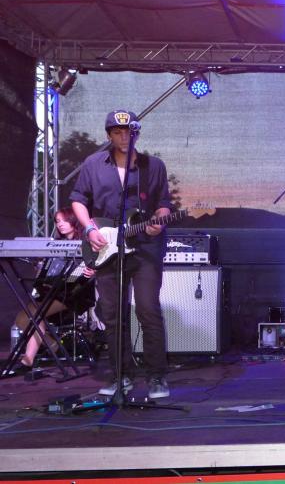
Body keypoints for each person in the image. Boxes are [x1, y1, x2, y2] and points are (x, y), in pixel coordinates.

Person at [70, 109, 172, 399]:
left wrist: (158, 222)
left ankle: (156, 377)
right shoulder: (93, 164)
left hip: (145, 247)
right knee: (114, 314)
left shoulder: (154, 166)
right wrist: (90, 228)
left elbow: (163, 204)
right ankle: (121, 375)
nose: (124, 137)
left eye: (129, 132)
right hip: (107, 246)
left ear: (136, 133)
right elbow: (78, 199)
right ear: (109, 135)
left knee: (148, 309)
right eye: (117, 132)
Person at [14, 208, 96, 367]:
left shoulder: (86, 242)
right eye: (58, 221)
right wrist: (41, 272)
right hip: (52, 293)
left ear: (73, 221)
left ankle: (28, 360)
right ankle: (53, 346)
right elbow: (46, 273)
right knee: (22, 319)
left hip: (74, 295)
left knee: (33, 314)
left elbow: (77, 278)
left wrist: (88, 272)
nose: (60, 224)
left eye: (64, 220)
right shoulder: (54, 244)